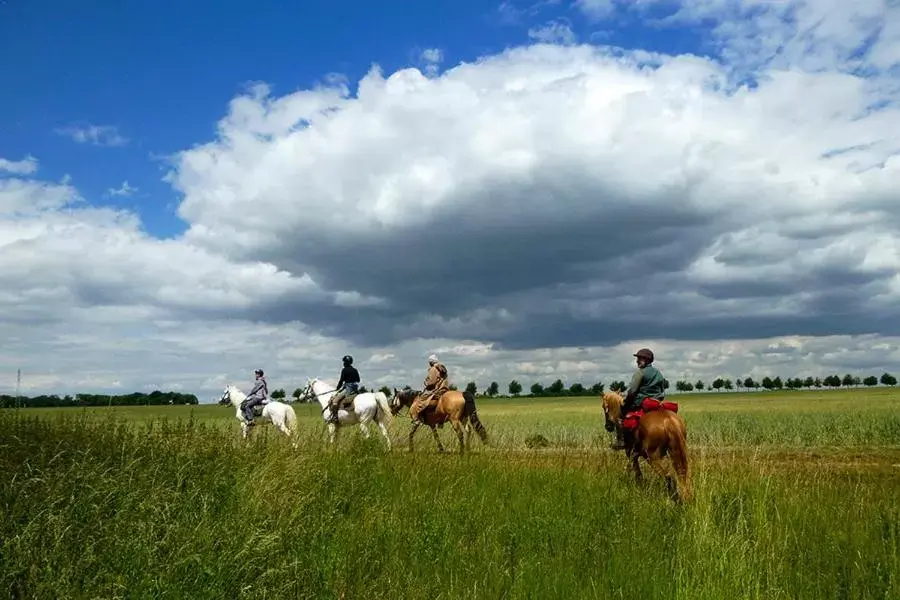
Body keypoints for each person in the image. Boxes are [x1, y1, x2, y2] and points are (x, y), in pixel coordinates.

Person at [610, 348, 666, 450]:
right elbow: (662, 392)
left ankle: (621, 441)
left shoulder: (640, 373)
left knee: (619, 415)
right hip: (656, 403)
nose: (637, 361)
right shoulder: (659, 373)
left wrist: (625, 402)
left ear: (647, 360)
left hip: (640, 403)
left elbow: (632, 392)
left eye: (640, 358)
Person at [411, 354, 449, 421]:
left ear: (431, 362)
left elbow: (432, 382)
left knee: (420, 400)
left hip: (437, 389)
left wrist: (426, 383)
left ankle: (418, 418)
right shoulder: (442, 368)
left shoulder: (433, 369)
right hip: (445, 388)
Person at [327, 355, 360, 423]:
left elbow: (341, 380)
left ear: (346, 362)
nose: (343, 363)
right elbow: (358, 380)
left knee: (335, 401)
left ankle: (335, 417)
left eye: (344, 362)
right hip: (355, 389)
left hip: (348, 388)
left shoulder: (344, 370)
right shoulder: (355, 370)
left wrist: (337, 388)